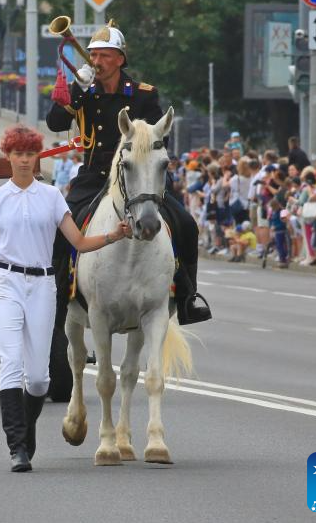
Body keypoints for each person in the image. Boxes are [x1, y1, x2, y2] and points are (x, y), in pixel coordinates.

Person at [0, 125, 130, 472]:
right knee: (11, 363)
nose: (24, 160)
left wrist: (113, 236)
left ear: (36, 157)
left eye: (30, 154)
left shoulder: (52, 196)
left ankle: (26, 429)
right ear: (8, 157)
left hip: (42, 285)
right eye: (18, 154)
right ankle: (17, 446)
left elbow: (79, 242)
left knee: (39, 379)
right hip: (5, 284)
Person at [45, 21, 210, 329]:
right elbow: (54, 123)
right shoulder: (85, 91)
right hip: (96, 176)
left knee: (186, 224)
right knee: (60, 227)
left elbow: (159, 138)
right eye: (94, 55)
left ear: (120, 59)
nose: (97, 62)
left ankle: (188, 296)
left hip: (140, 177)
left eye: (105, 56)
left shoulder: (143, 95)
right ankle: (57, 295)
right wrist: (77, 89)